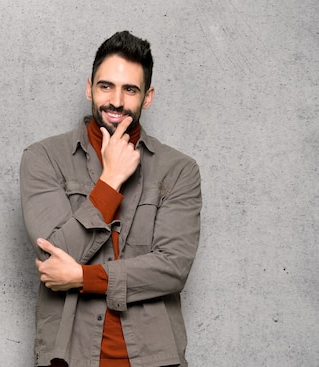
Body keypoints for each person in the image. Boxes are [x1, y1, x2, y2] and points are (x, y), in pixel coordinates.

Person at [19, 31, 202, 367]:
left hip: (153, 358)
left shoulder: (178, 170)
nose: (116, 101)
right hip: (69, 356)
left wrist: (83, 278)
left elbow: (172, 268)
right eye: (106, 86)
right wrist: (111, 179)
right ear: (89, 87)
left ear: (147, 97)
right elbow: (53, 251)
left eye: (130, 89)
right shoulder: (43, 158)